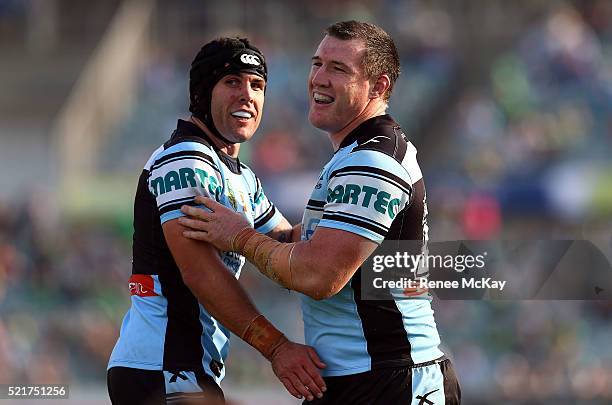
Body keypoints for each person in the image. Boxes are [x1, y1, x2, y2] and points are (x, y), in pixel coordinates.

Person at [179, 21, 461, 404]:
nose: (319, 79)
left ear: (378, 87)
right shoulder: (354, 155)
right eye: (317, 64)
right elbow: (300, 249)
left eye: (338, 69)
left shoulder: (372, 159)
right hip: (358, 378)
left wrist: (240, 236)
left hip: (392, 380)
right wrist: (244, 217)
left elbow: (317, 275)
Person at [107, 37, 327, 405]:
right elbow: (201, 273)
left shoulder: (241, 175)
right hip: (161, 367)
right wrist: (277, 348)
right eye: (232, 82)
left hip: (188, 368)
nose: (247, 95)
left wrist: (352, 225)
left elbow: (288, 244)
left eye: (257, 85)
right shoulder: (185, 159)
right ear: (202, 93)